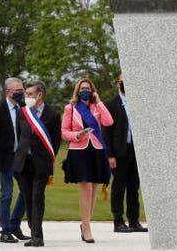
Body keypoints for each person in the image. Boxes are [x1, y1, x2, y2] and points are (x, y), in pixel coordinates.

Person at [61, 77, 113, 243]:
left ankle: (85, 225)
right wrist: (77, 134)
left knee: (94, 189)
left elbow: (108, 121)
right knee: (86, 188)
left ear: (92, 91)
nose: (86, 91)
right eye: (83, 88)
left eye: (88, 89)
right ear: (78, 90)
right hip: (79, 150)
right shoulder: (71, 108)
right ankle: (87, 228)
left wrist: (99, 102)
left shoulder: (96, 107)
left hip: (97, 149)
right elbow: (63, 132)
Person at [13, 81, 61, 248]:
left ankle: (37, 237)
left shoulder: (53, 114)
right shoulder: (23, 112)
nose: (27, 97)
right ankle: (34, 231)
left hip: (41, 164)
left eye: (30, 94)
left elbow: (55, 142)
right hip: (23, 163)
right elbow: (20, 137)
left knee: (37, 197)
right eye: (26, 94)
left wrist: (47, 159)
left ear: (40, 95)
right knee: (27, 198)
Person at [0, 77, 29, 243]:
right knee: (7, 194)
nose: (20, 93)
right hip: (5, 158)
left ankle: (15, 224)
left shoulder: (24, 108)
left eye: (21, 90)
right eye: (17, 91)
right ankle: (5, 230)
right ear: (8, 92)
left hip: (22, 157)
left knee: (26, 192)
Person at [102, 74, 146, 233]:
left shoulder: (139, 103)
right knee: (119, 187)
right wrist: (110, 155)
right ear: (117, 84)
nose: (125, 84)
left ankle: (134, 221)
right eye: (122, 82)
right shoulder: (110, 105)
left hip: (136, 151)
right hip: (119, 152)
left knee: (134, 187)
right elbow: (106, 132)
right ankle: (118, 221)